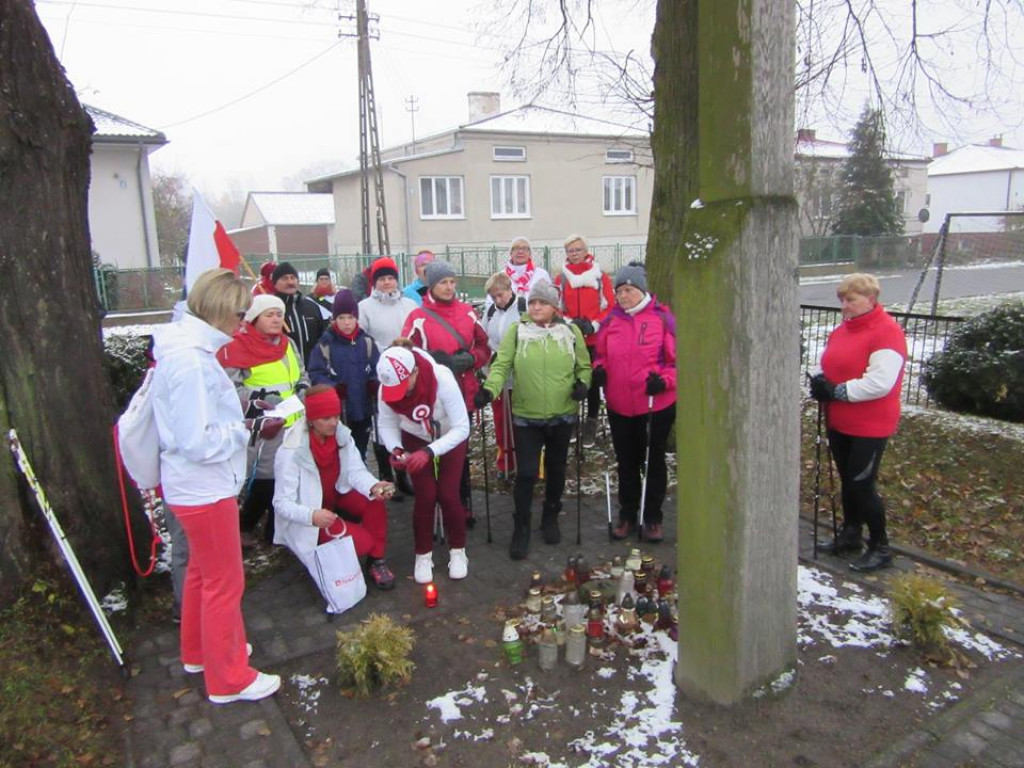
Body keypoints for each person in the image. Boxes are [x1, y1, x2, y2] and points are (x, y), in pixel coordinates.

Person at [150, 267, 282, 704]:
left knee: (203, 574)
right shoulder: (191, 362)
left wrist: (239, 419)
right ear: (220, 310)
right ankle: (229, 678)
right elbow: (197, 440)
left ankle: (199, 652)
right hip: (203, 488)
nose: (243, 324)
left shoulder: (186, 351)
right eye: (240, 314)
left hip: (191, 486)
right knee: (225, 582)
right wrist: (244, 430)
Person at [475, 279, 591, 560]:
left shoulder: (570, 331)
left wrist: (583, 384)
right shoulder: (518, 331)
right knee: (526, 473)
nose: (537, 307)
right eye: (534, 302)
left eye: (543, 302)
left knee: (556, 469)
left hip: (562, 414)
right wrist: (489, 389)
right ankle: (522, 526)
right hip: (527, 416)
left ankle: (550, 516)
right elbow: (501, 365)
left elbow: (584, 366)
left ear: (554, 306)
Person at [810, 273, 907, 573]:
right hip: (840, 420)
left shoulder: (887, 332)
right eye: (841, 300)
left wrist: (837, 391)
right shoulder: (842, 330)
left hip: (870, 424)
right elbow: (828, 363)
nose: (844, 306)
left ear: (871, 299)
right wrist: (819, 381)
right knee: (848, 480)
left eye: (850, 300)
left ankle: (881, 546)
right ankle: (851, 534)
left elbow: (881, 382)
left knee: (861, 484)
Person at [273, 385, 397, 599]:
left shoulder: (341, 436)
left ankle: (377, 560)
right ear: (311, 420)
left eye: (337, 416)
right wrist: (312, 515)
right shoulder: (291, 451)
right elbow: (281, 503)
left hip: (337, 495)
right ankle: (331, 553)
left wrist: (373, 486)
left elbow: (355, 471)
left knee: (375, 501)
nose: (334, 423)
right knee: (363, 542)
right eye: (326, 418)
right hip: (312, 514)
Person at [593, 263, 676, 543]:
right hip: (619, 405)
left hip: (655, 404)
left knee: (653, 462)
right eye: (619, 291)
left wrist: (664, 381)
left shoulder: (662, 318)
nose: (623, 296)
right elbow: (601, 355)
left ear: (642, 290)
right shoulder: (611, 321)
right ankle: (627, 514)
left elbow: (679, 362)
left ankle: (652, 517)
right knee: (626, 462)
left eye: (629, 290)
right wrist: (600, 369)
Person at [217, 294, 309, 547]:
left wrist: (303, 387)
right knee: (266, 479)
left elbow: (301, 373)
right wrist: (260, 398)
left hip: (294, 421)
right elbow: (229, 390)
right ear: (255, 318)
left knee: (289, 476)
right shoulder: (236, 347)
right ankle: (245, 525)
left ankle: (275, 530)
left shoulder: (288, 344)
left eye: (279, 314)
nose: (276, 319)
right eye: (269, 315)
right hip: (264, 425)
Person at [376, 343, 471, 584]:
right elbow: (386, 423)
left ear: (415, 372)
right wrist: (396, 449)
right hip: (414, 434)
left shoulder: (442, 378)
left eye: (403, 386)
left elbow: (462, 427)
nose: (400, 394)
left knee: (448, 494)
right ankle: (423, 554)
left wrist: (429, 451)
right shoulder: (385, 386)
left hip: (448, 434)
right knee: (425, 496)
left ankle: (458, 550)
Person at [402, 260, 490, 516]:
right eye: (443, 282)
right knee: (435, 449)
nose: (449, 287)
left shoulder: (468, 312)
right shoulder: (417, 317)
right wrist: (433, 361)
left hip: (464, 391)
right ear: (431, 285)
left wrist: (472, 358)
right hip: (432, 396)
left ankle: (461, 504)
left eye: (452, 282)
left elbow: (484, 346)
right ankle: (434, 503)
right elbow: (406, 355)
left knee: (460, 451)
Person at [554, 234, 614, 446]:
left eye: (578, 249)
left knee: (593, 382)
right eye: (570, 250)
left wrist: (594, 324)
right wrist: (570, 322)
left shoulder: (600, 277)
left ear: (586, 251)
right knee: (571, 379)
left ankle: (591, 421)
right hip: (570, 336)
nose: (574, 254)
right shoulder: (561, 278)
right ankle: (572, 420)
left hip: (594, 338)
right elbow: (556, 306)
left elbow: (610, 306)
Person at [307, 289, 380, 461]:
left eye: (350, 317)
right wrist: (332, 388)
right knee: (340, 448)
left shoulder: (367, 342)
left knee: (360, 448)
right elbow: (316, 372)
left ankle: (360, 468)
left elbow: (377, 368)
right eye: (341, 318)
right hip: (339, 409)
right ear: (334, 319)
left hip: (363, 406)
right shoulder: (325, 345)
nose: (346, 323)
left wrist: (374, 382)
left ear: (357, 318)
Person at [480, 272, 526, 479]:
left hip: (521, 375)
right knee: (501, 421)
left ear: (510, 289)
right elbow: (483, 339)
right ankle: (505, 462)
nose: (498, 300)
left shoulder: (524, 308)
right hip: (497, 374)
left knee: (522, 421)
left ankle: (527, 461)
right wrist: (487, 364)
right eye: (494, 296)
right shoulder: (490, 312)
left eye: (501, 295)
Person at [272, 261, 328, 366]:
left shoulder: (311, 307)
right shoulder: (271, 311)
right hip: (284, 371)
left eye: (293, 278)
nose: (290, 282)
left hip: (313, 370)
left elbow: (322, 339)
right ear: (275, 283)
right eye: (284, 278)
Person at [490, 236, 552, 303]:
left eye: (525, 248)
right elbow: (491, 302)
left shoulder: (541, 275)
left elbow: (550, 300)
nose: (520, 251)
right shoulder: (501, 277)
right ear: (511, 253)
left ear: (530, 253)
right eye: (516, 248)